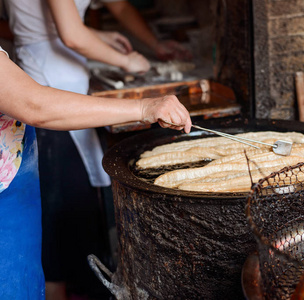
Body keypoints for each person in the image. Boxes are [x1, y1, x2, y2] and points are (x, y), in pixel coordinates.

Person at [0, 0, 188, 298]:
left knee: (44, 251)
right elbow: (34, 103)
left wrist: (98, 37)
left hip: (18, 164)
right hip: (42, 96)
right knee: (50, 246)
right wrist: (143, 103)